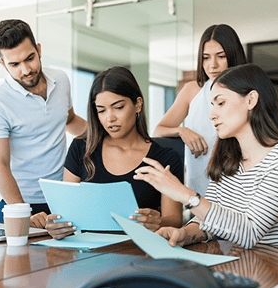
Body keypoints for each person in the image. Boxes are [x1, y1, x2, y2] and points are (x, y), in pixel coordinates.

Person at [134, 64, 278, 249]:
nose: (212, 115)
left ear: (251, 100)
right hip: (243, 264)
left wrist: (184, 194)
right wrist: (185, 234)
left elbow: (249, 232)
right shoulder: (230, 158)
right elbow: (211, 220)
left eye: (221, 103)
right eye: (212, 105)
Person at [30, 67, 184, 239]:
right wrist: (56, 225)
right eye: (101, 110)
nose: (109, 118)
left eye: (118, 107)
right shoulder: (82, 147)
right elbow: (65, 212)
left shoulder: (164, 157)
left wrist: (158, 222)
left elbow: (175, 219)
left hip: (138, 251)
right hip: (88, 253)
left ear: (138, 104)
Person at [0, 19, 86, 222]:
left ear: (38, 50)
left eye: (30, 58)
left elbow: (70, 120)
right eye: (14, 64)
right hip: (19, 202)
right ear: (3, 64)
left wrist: (111, 137)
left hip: (61, 196)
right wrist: (22, 212)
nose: (26, 70)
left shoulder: (61, 80)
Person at [153, 24, 247, 197]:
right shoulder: (192, 90)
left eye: (221, 56)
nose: (213, 65)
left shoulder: (248, 93)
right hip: (199, 189)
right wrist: (182, 130)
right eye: (206, 58)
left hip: (239, 189)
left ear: (233, 57)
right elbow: (158, 131)